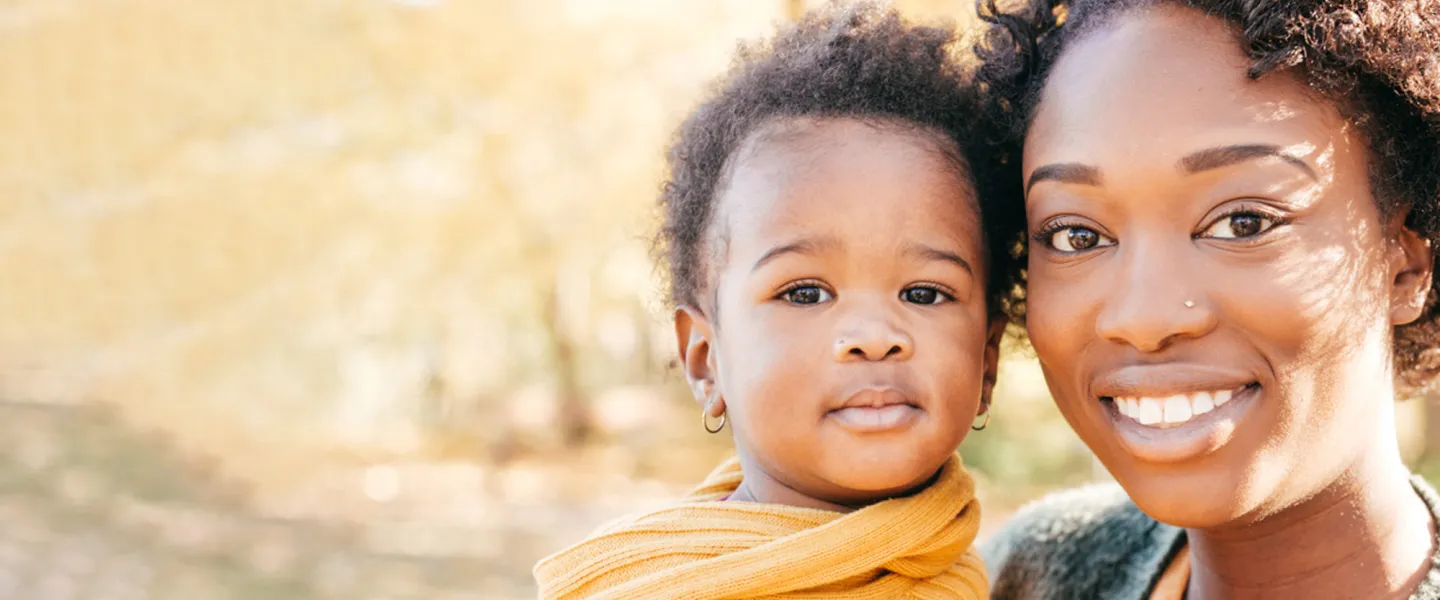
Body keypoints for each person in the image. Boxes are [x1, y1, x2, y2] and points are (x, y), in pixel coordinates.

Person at [533, 2, 1026, 598]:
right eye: (805, 292)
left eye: (924, 292)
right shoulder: (650, 585)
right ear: (706, 359)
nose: (874, 333)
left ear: (988, 361)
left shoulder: (979, 580)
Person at [973, 0, 1440, 597]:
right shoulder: (1022, 579)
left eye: (1243, 223)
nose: (1144, 319)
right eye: (1077, 235)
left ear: (1406, 266)